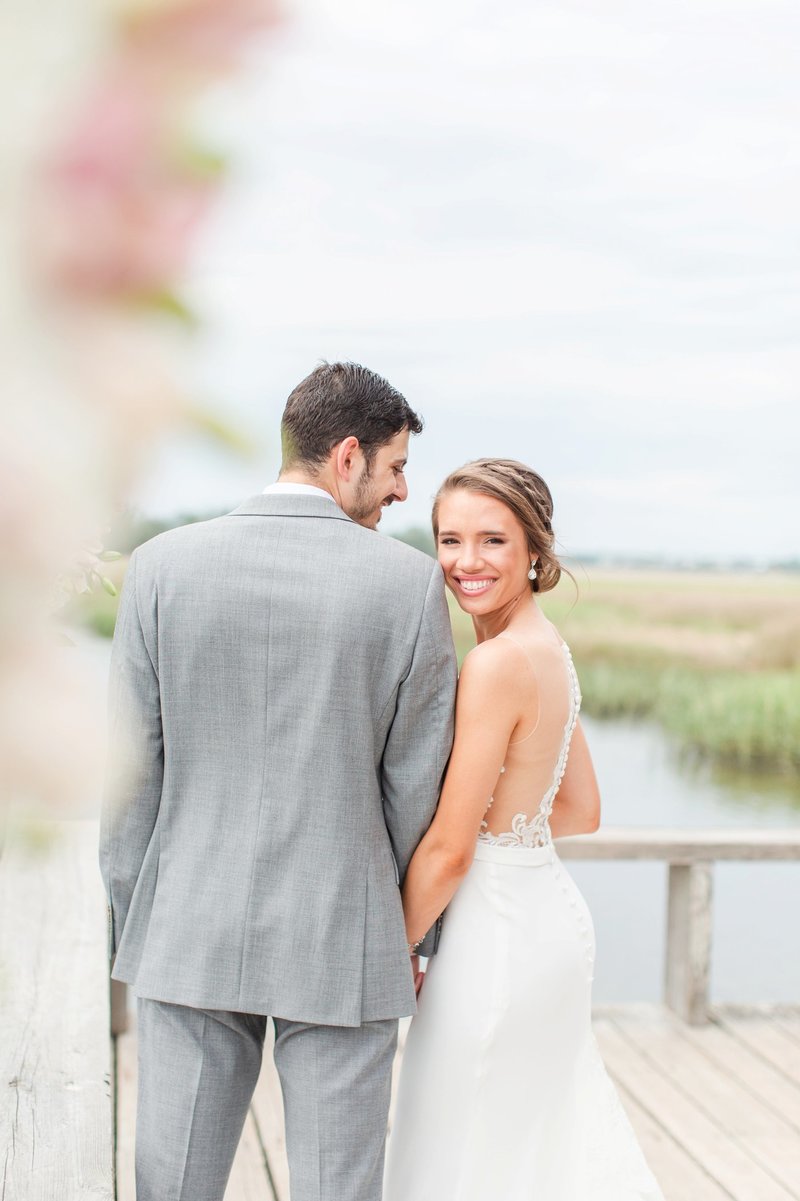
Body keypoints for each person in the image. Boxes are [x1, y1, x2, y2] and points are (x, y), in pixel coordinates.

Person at [99, 361, 457, 1201]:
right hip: (346, 936)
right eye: (397, 466)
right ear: (346, 455)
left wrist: (137, 922)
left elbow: (127, 779)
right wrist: (408, 936)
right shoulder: (410, 588)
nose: (404, 491)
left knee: (173, 1187)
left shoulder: (158, 567)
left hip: (188, 928)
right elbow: (416, 790)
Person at [384, 458, 664, 1201]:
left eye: (492, 541)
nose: (465, 562)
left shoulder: (496, 663)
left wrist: (391, 951)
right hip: (545, 919)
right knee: (526, 1150)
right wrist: (509, 821)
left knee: (458, 1149)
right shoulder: (549, 651)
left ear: (534, 551)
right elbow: (581, 808)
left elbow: (446, 852)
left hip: (493, 938)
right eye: (449, 539)